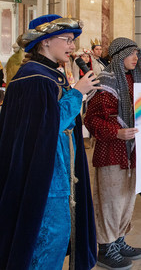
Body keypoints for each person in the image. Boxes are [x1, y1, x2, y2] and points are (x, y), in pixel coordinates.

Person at [0, 14, 98, 269]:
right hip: (46, 175)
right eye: (66, 40)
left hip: (57, 170)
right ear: (44, 42)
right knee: (50, 238)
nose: (72, 47)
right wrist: (78, 93)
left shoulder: (47, 73)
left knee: (56, 236)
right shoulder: (35, 77)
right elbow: (49, 125)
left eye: (73, 41)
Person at [85, 38, 141, 269]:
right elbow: (91, 120)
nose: (136, 58)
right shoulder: (105, 82)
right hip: (111, 150)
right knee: (111, 201)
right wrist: (117, 132)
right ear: (118, 56)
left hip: (134, 150)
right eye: (131, 54)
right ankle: (105, 246)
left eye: (137, 54)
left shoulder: (135, 78)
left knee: (127, 197)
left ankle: (119, 239)